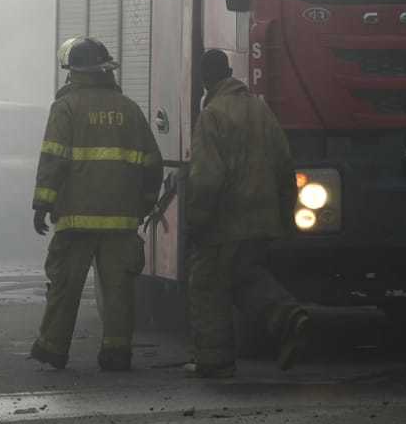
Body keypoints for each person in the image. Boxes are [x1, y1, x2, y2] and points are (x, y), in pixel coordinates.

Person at [29, 37, 163, 372]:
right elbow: (152, 163)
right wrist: (145, 204)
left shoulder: (66, 108)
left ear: (73, 72)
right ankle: (118, 352)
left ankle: (52, 347)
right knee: (118, 289)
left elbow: (53, 159)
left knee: (65, 285)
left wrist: (42, 203)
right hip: (121, 220)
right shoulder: (129, 109)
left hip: (76, 218)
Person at [184, 49, 311, 379]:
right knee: (244, 277)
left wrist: (196, 220)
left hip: (225, 222)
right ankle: (288, 315)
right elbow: (285, 165)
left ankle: (214, 360)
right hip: (263, 219)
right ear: (228, 71)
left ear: (204, 80)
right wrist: (285, 214)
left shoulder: (212, 115)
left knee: (207, 286)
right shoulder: (260, 109)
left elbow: (206, 177)